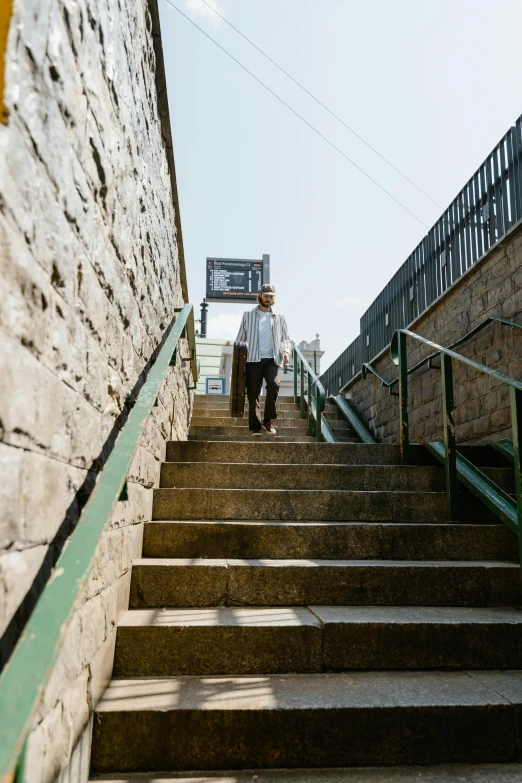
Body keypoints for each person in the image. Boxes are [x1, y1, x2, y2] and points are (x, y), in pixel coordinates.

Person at [235, 283, 291, 435]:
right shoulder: (248, 315)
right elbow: (241, 338)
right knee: (253, 394)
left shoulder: (280, 317)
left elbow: (286, 339)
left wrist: (285, 352)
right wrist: (238, 360)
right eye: (266, 295)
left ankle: (268, 420)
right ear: (260, 295)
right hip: (253, 359)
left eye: (271, 296)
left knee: (274, 384)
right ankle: (255, 427)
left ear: (274, 298)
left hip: (272, 359)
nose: (268, 299)